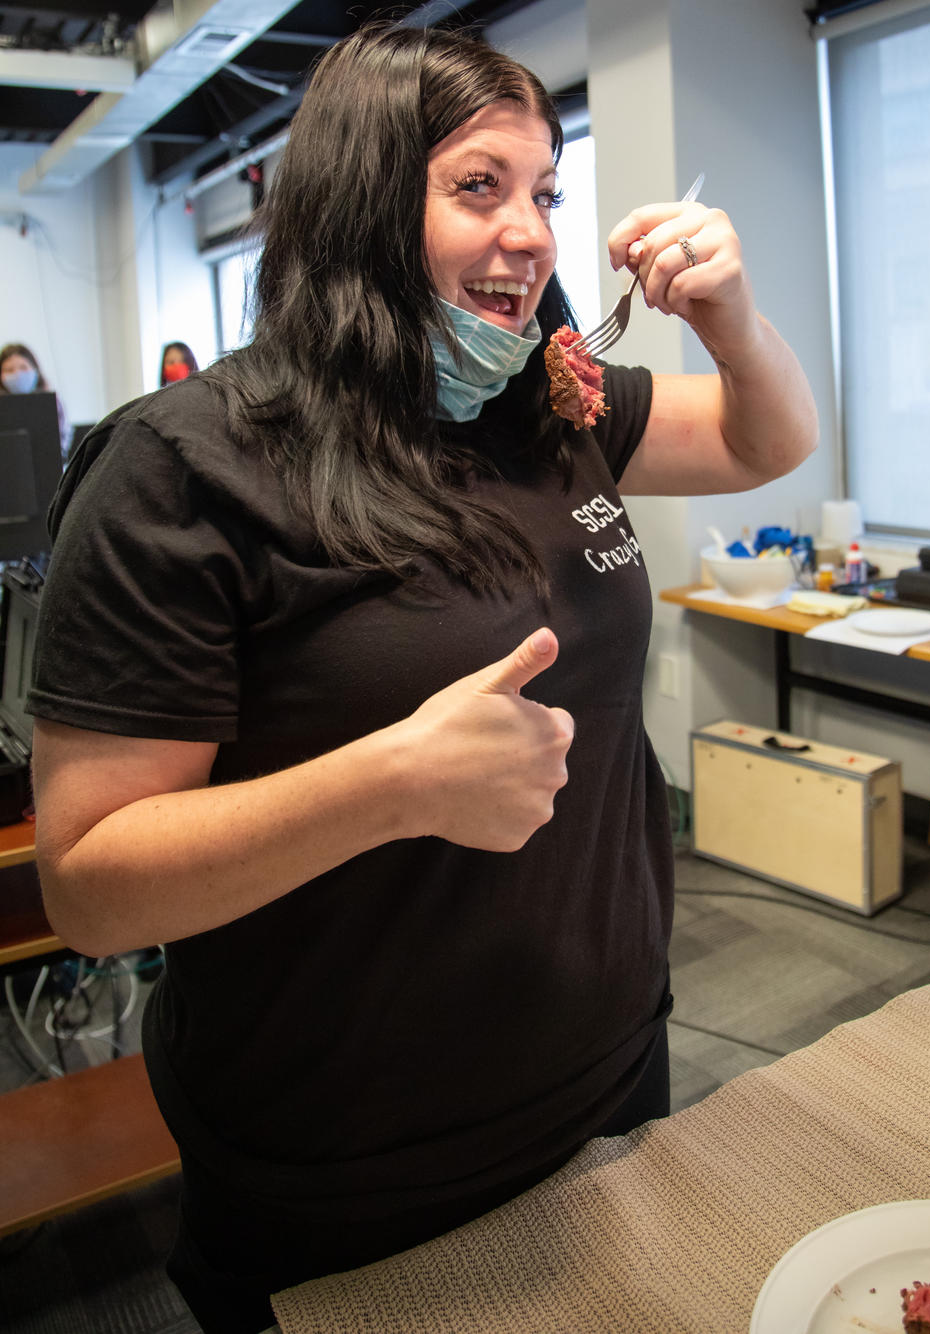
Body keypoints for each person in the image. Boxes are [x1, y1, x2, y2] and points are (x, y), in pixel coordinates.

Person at [27, 22, 817, 1334]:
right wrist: (386, 781)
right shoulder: (183, 468)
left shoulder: (551, 403)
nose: (532, 232)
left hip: (610, 1072)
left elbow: (760, 438)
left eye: (547, 191)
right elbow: (92, 885)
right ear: (360, 200)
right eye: (479, 186)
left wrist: (732, 319)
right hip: (346, 1161)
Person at [0, 341, 71, 459]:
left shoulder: (52, 402)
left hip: (47, 465)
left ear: (35, 370)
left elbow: (63, 438)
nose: (17, 374)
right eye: (9, 370)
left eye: (23, 367)